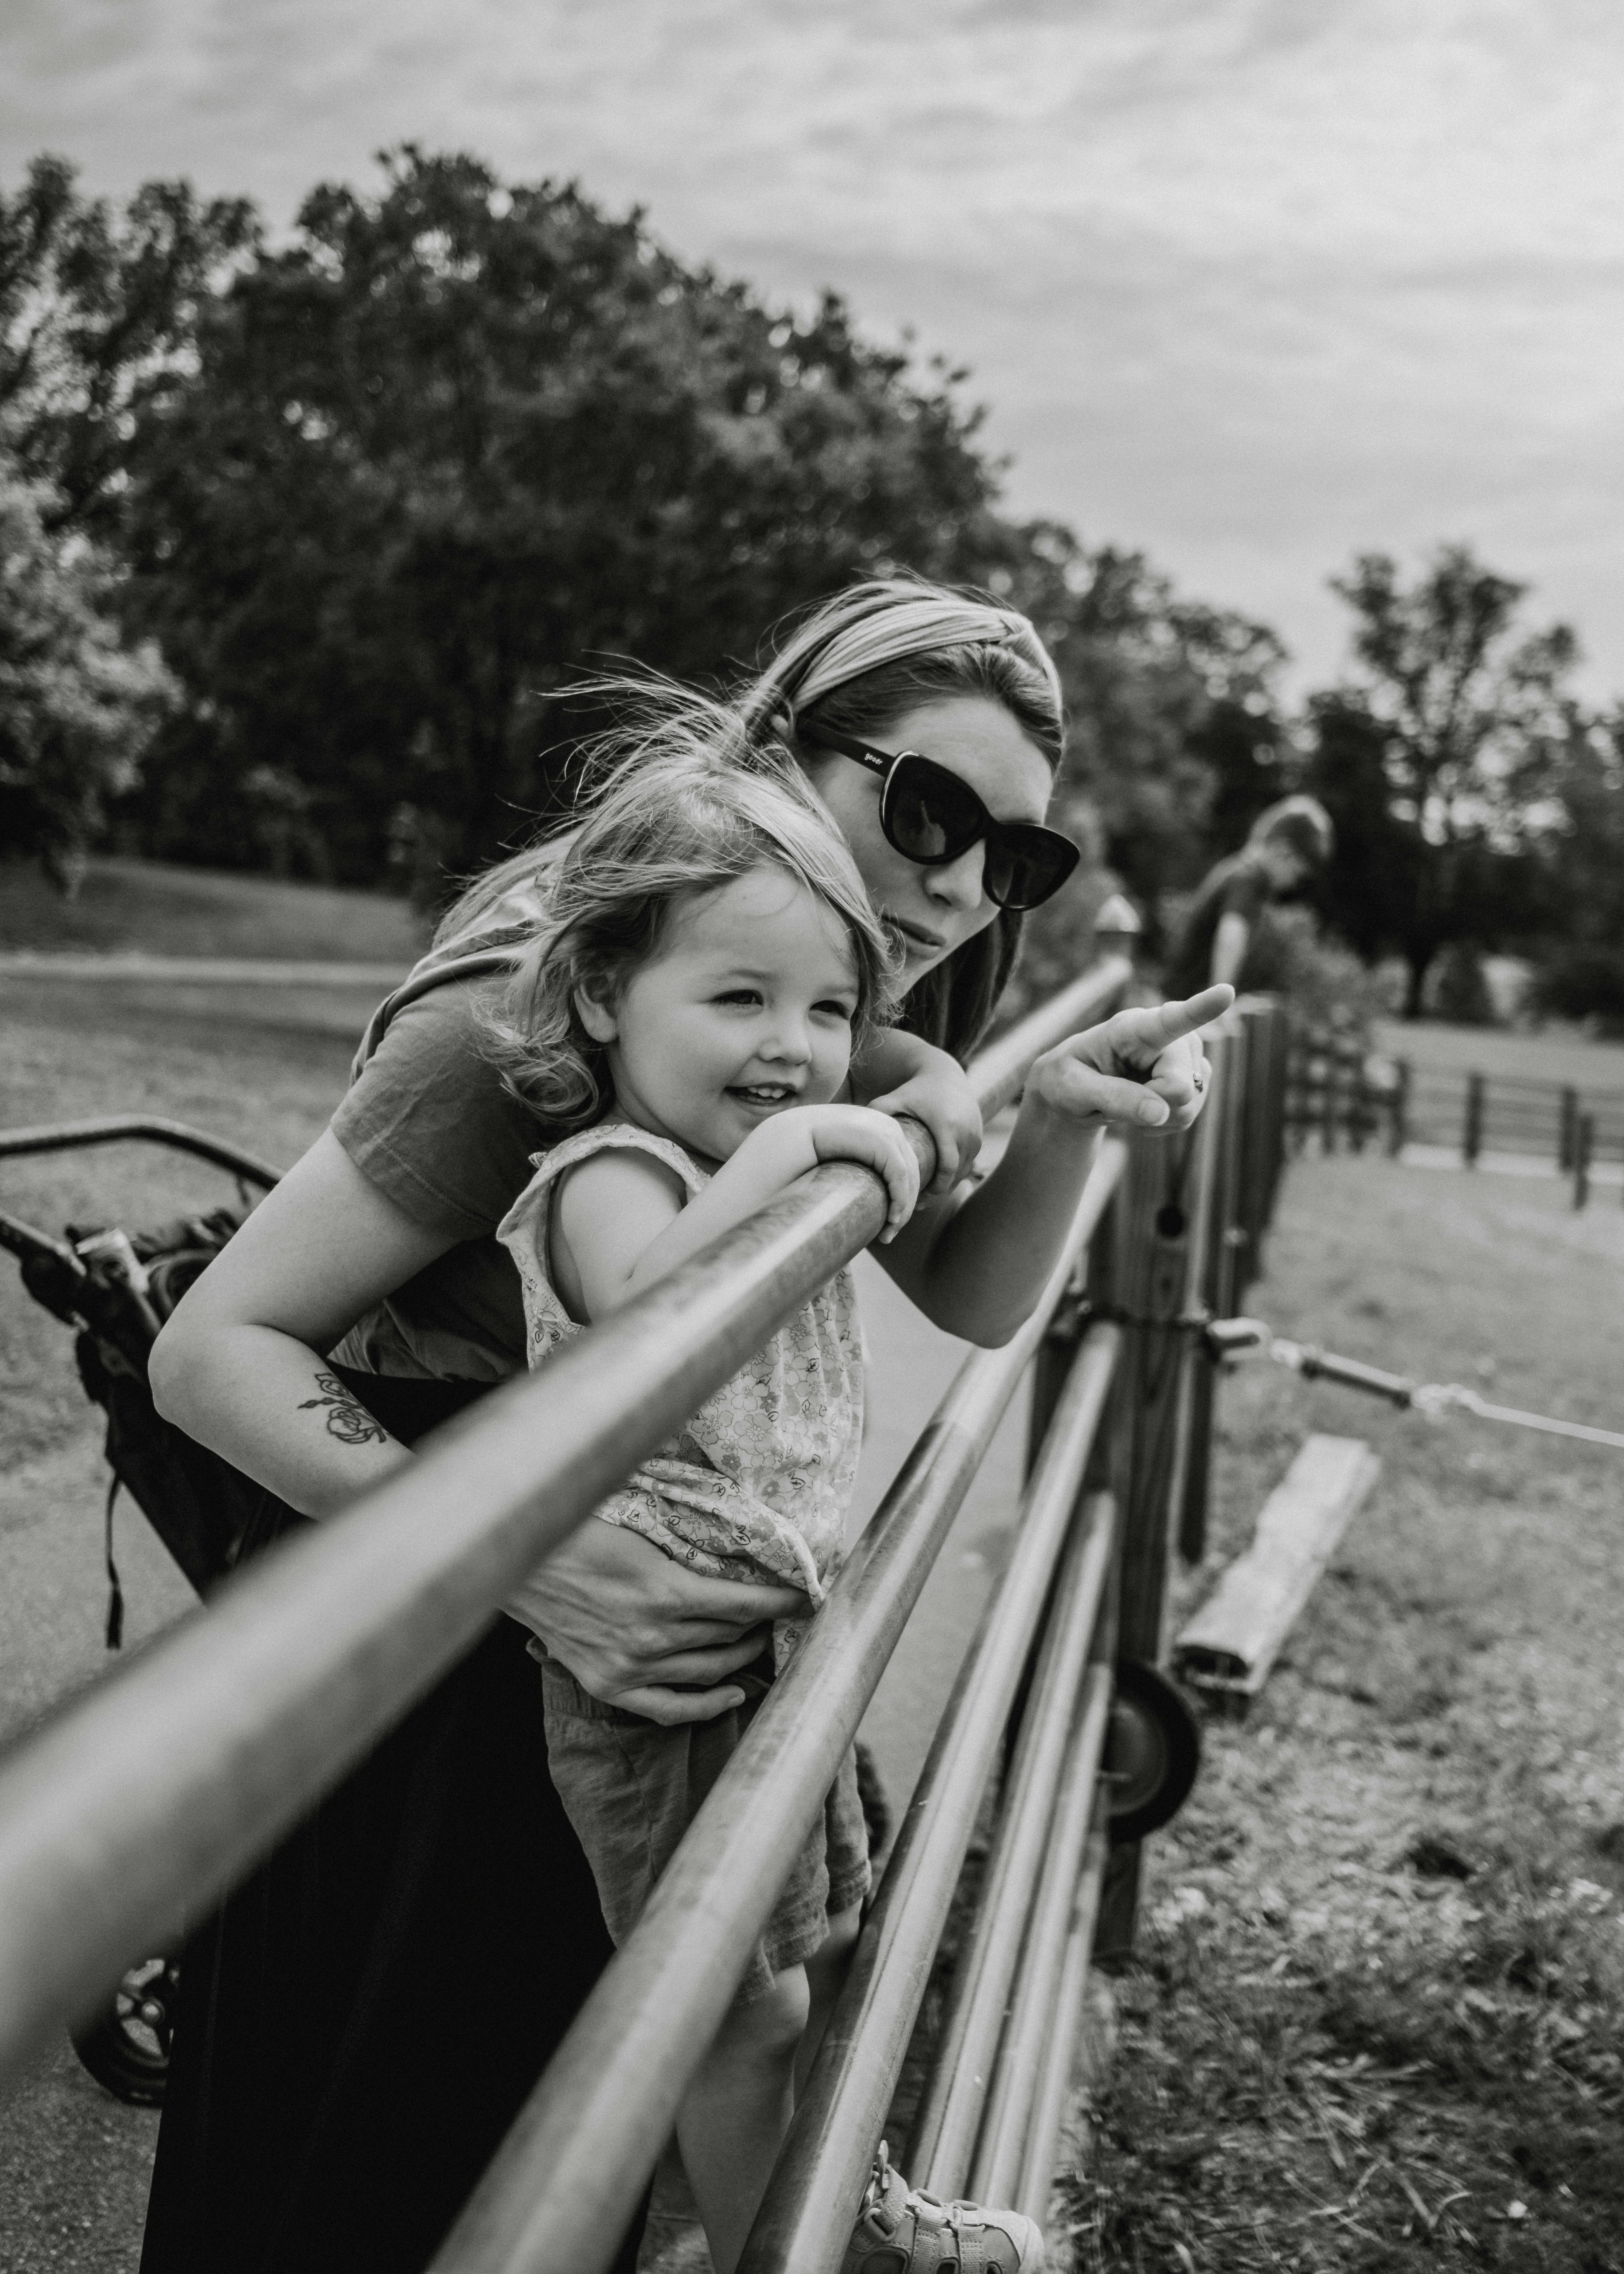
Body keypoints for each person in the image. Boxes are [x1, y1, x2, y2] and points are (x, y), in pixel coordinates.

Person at [145, 578, 1224, 2274]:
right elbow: (216, 1352)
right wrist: (524, 1557)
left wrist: (1062, 1121)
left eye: (1013, 854)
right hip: (422, 1649)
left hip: (622, 1643)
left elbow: (960, 1284)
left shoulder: (816, 987)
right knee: (380, 2176)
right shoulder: (536, 991)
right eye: (925, 808)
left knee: (608, 2122)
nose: (957, 880)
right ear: (791, 745)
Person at [1163, 794, 1335, 1000]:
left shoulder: (1239, 869)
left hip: (1179, 997)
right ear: (1284, 851)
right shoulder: (1250, 879)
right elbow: (1232, 931)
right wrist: (1220, 1003)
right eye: (1297, 874)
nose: (1293, 884)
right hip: (1181, 1004)